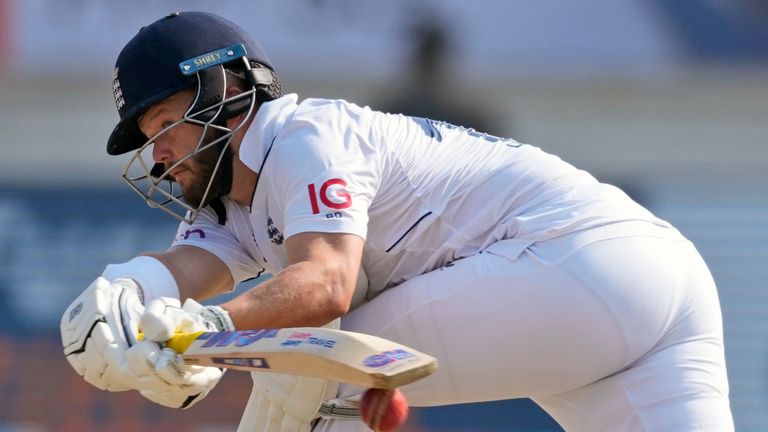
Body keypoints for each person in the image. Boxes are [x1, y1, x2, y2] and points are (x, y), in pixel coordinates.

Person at [60, 11, 734, 432]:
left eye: (164, 123)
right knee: (318, 367)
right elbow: (188, 270)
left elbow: (324, 285)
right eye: (151, 137)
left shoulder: (302, 135)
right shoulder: (229, 198)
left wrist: (210, 332)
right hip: (657, 280)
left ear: (229, 91)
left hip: (580, 264)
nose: (161, 152)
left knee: (301, 365)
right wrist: (125, 290)